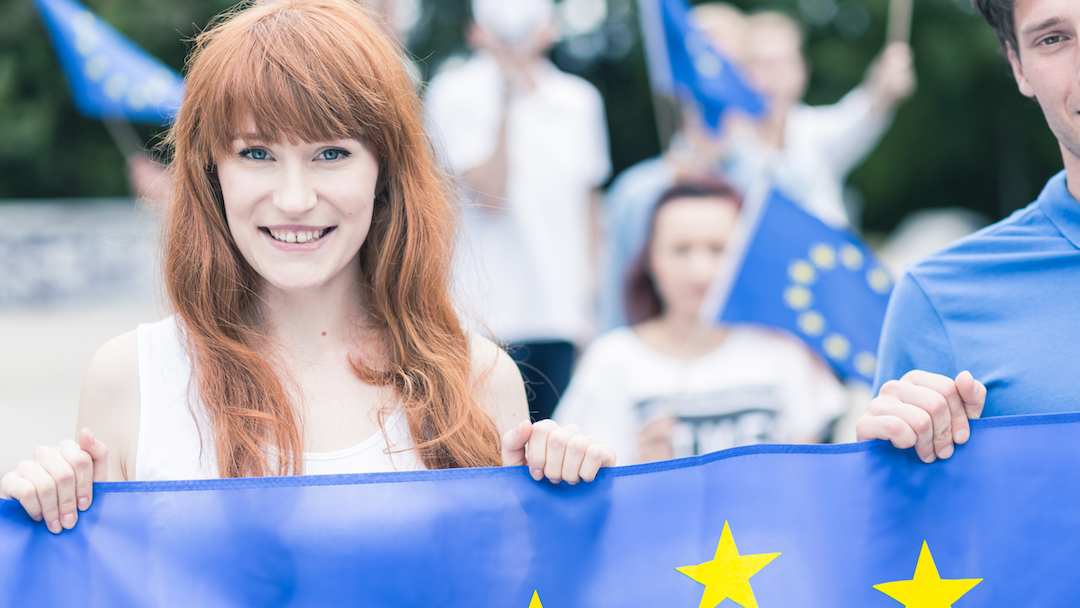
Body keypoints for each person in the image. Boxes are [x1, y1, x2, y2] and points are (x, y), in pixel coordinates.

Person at [0, 0, 615, 536]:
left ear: (386, 174)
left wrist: (574, 503)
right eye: (257, 153)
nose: (294, 198)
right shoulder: (130, 378)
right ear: (213, 172)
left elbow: (515, 580)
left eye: (331, 153)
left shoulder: (479, 380)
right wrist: (44, 512)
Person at [856, 0, 1080, 464]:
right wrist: (885, 467)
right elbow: (906, 527)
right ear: (1019, 67)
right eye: (1053, 39)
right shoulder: (939, 297)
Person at [598, 7, 916, 331]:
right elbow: (616, 309)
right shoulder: (636, 194)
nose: (707, 79)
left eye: (727, 63)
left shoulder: (787, 182)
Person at [554, 181, 847, 464]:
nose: (700, 271)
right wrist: (641, 473)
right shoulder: (612, 360)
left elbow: (807, 470)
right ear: (651, 259)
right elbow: (576, 476)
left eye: (718, 248)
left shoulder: (783, 349)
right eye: (681, 249)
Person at [425, 0, 611, 423]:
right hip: (482, 317)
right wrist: (506, 95)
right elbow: (491, 195)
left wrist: (588, 304)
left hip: (558, 314)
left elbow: (588, 209)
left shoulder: (579, 101)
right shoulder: (454, 93)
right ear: (476, 31)